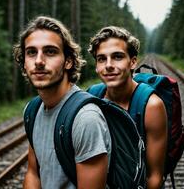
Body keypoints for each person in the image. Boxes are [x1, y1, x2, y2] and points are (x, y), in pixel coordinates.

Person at [14, 16, 111, 189]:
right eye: (31, 52)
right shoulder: (32, 110)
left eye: (50, 51)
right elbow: (33, 173)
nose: (38, 61)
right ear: (24, 63)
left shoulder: (86, 119)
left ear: (68, 61)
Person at [88, 26, 168, 188]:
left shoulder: (151, 106)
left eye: (117, 57)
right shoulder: (92, 96)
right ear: (96, 66)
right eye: (102, 59)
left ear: (133, 62)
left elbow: (154, 176)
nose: (108, 65)